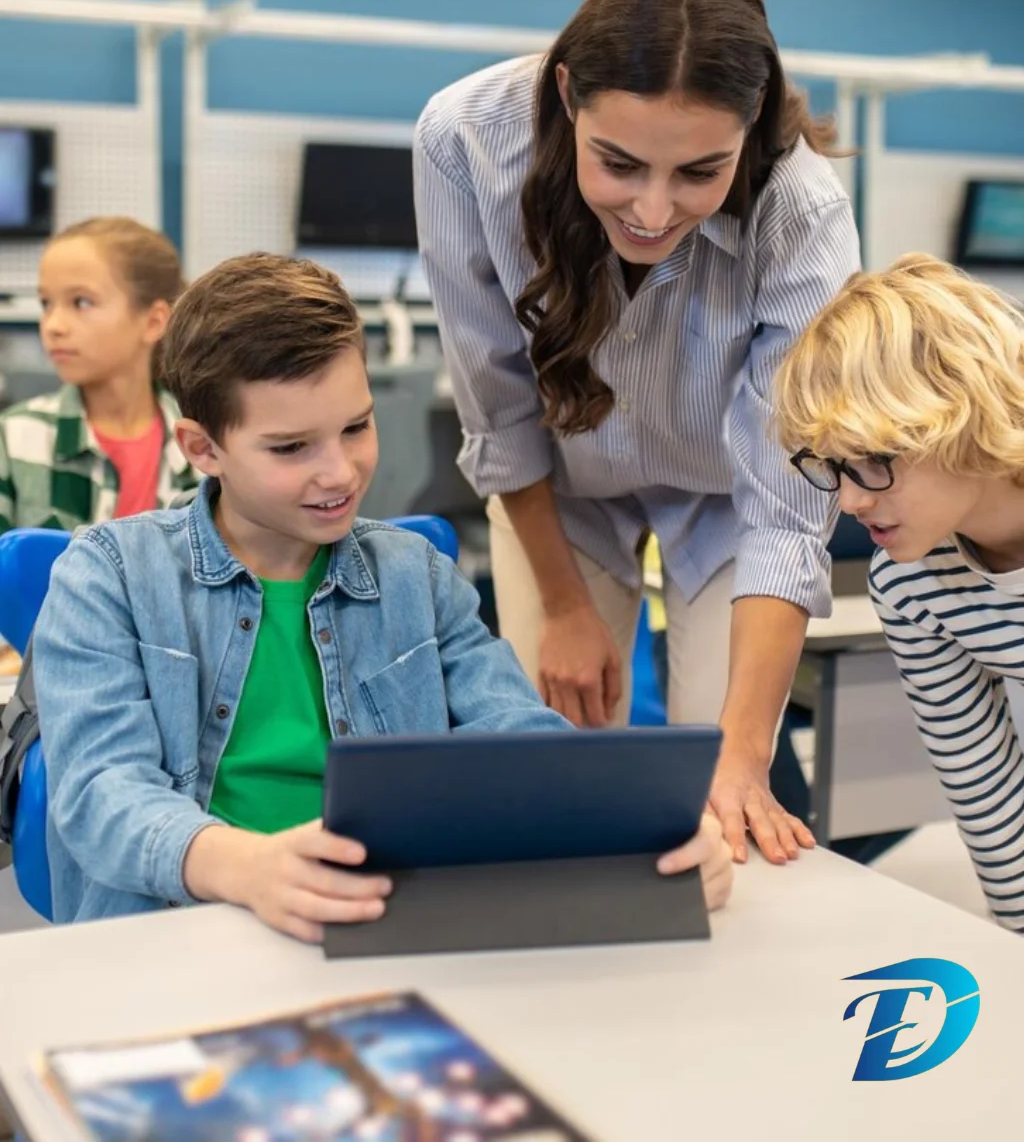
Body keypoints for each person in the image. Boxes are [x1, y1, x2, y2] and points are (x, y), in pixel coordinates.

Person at [32, 254, 733, 942]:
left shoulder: (415, 575)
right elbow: (100, 794)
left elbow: (517, 741)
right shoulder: (107, 575)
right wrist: (250, 867)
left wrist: (638, 831)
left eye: (356, 426)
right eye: (291, 447)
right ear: (202, 447)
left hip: (379, 928)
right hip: (180, 936)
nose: (339, 471)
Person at [413, 0, 860, 865]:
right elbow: (496, 409)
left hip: (730, 496)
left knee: (726, 793)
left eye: (701, 173)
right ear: (568, 92)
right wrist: (566, 608)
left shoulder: (804, 207)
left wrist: (741, 760)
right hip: (562, 490)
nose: (653, 211)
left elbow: (787, 501)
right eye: (618, 163)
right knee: (561, 781)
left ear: (751, 129)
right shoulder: (463, 140)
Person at [774, 252, 1024, 931]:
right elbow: (983, 782)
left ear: (966, 415)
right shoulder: (909, 581)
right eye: (833, 467)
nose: (850, 500)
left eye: (876, 462)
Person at [0, 216, 197, 533]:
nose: (53, 325)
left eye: (81, 302)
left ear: (153, 322)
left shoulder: (202, 450)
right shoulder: (12, 440)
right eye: (46, 303)